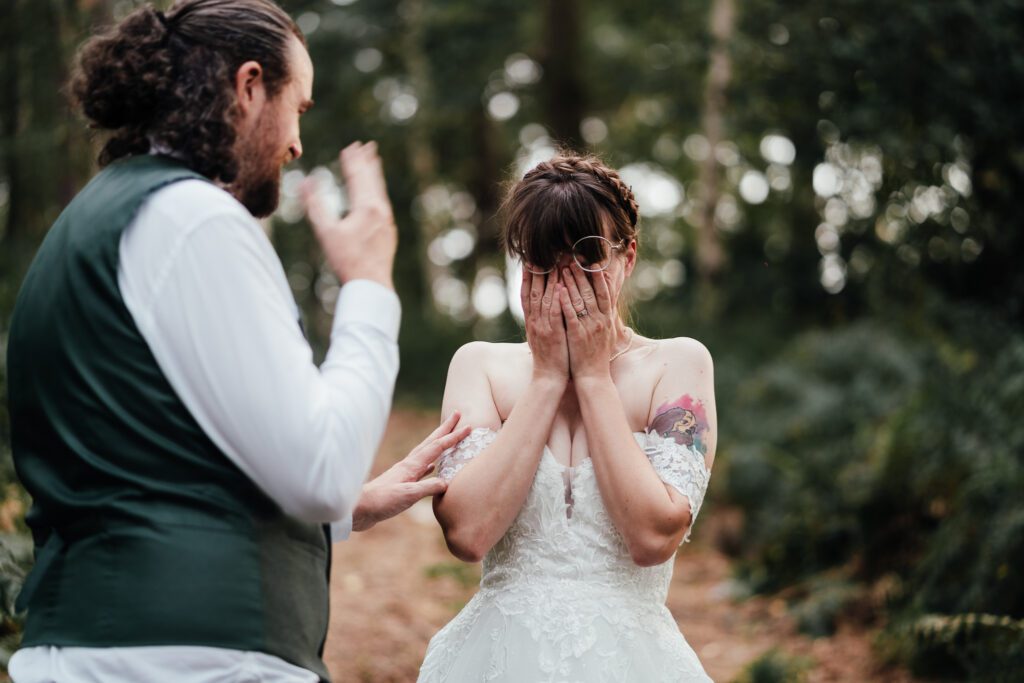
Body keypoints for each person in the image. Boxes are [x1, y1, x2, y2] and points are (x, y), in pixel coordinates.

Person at [5, 1, 468, 682]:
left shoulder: (96, 219)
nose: (297, 145)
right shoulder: (197, 221)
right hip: (196, 659)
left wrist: (351, 505)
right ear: (250, 88)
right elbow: (319, 470)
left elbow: (153, 455)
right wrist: (369, 285)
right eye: (299, 108)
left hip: (88, 649)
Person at [418, 154, 717, 682]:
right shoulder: (479, 365)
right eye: (541, 258)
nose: (564, 279)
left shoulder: (679, 364)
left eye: (586, 255)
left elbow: (652, 539)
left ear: (628, 257)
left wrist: (595, 379)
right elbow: (467, 534)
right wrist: (548, 380)